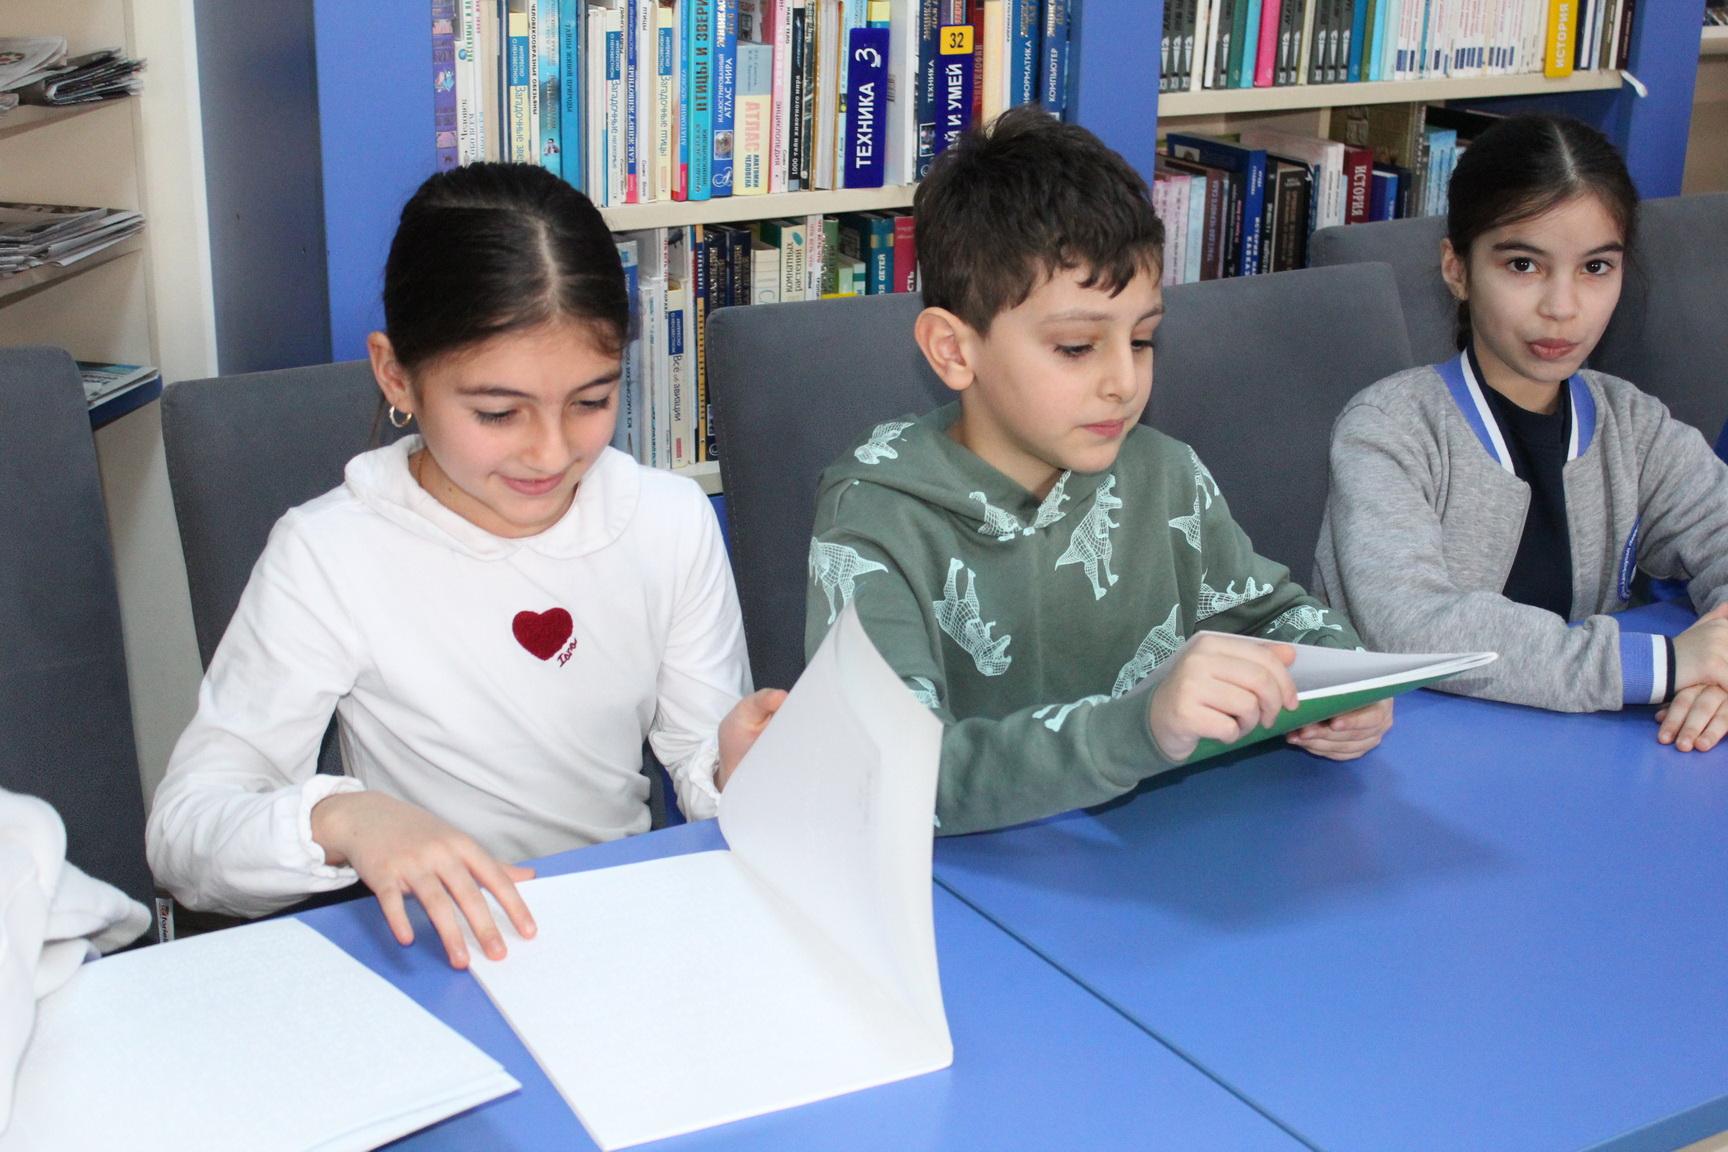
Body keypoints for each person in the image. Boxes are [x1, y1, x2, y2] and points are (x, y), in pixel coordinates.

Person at [148, 163, 783, 967]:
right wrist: (344, 820)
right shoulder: (331, 552)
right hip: (440, 951)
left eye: (591, 402)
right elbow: (184, 836)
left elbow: (697, 758)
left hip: (621, 933)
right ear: (396, 376)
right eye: (497, 412)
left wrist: (732, 764)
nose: (550, 452)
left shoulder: (667, 520)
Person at [804, 106, 1392, 837]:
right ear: (954, 351)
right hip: (958, 886)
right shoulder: (873, 517)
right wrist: (1139, 727)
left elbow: (1279, 620)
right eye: (1078, 348)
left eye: (1142, 340)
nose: (1124, 382)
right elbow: (890, 773)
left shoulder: (1165, 473)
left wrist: (1344, 685)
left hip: (1167, 856)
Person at [1314, 114, 1728, 751]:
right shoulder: (1389, 429)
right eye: (1523, 264)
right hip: (1404, 758)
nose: (1562, 307)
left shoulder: (1634, 426)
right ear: (1457, 268)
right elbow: (1413, 626)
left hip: (1577, 756)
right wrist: (1662, 665)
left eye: (1595, 267)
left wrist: (1717, 668)